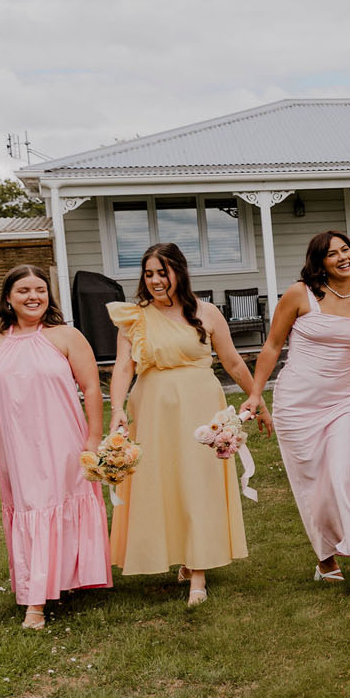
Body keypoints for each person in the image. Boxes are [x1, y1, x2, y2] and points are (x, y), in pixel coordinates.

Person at [107, 243, 262, 606]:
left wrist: (258, 400)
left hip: (201, 406)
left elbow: (234, 363)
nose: (157, 281)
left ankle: (199, 571)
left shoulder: (206, 313)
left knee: (198, 482)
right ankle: (180, 555)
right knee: (162, 482)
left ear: (179, 271)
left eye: (163, 272)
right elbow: (123, 366)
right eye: (149, 274)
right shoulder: (135, 316)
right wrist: (116, 408)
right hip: (153, 407)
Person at [0, 265, 110, 630]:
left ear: (48, 295)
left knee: (56, 503)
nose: (33, 297)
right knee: (31, 507)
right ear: (8, 297)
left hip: (63, 442)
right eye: (23, 290)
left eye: (40, 289)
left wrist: (93, 438)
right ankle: (39, 588)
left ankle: (36, 605)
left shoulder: (66, 336)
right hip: (17, 446)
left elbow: (91, 388)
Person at [243, 231, 350, 597]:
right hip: (296, 402)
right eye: (332, 254)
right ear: (319, 262)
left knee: (341, 476)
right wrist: (256, 394)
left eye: (346, 250)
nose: (341, 258)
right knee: (311, 484)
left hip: (341, 401)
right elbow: (272, 345)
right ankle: (325, 558)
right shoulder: (298, 294)